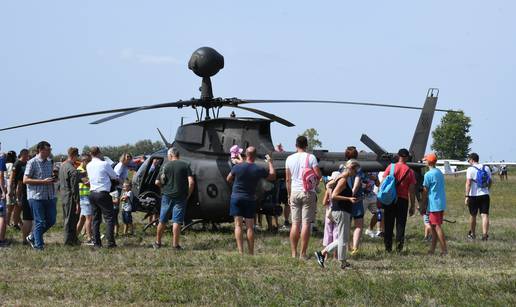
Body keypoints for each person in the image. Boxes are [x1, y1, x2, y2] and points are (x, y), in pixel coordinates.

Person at [227, 146, 276, 255]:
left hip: (236, 197)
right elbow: (272, 176)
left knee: (238, 225)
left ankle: (240, 251)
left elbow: (228, 178)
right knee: (250, 227)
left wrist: (235, 185)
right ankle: (251, 252)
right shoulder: (258, 169)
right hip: (249, 198)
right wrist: (270, 162)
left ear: (246, 154)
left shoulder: (238, 167)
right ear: (255, 156)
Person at [315, 160, 360, 270]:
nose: (356, 173)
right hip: (341, 211)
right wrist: (349, 198)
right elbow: (334, 196)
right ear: (352, 168)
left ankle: (324, 253)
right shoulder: (343, 179)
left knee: (342, 238)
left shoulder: (339, 177)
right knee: (343, 239)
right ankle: (341, 262)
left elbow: (329, 185)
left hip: (339, 210)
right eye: (356, 170)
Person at [285, 135, 322, 259]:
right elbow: (318, 175)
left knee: (295, 223)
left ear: (296, 145)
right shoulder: (311, 157)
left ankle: (293, 253)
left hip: (294, 192)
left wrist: (289, 194)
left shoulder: (289, 159)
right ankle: (303, 253)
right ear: (306, 145)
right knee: (306, 223)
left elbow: (287, 179)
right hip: (307, 192)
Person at [154, 147, 194, 249]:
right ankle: (175, 245)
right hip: (181, 197)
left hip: (167, 196)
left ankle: (158, 243)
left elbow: (157, 182)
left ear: (170, 155)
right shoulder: (185, 165)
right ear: (178, 155)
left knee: (162, 220)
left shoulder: (165, 166)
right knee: (177, 221)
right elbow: (191, 182)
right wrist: (188, 195)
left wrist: (165, 187)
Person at [380, 148, 416, 252]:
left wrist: (380, 197)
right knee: (400, 224)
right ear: (407, 157)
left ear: (398, 155)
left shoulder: (390, 167)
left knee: (388, 223)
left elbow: (383, 183)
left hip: (390, 199)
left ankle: (388, 248)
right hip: (403, 200)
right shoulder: (410, 171)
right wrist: (412, 205)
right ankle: (399, 248)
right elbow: (412, 190)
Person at [23, 141, 57, 250]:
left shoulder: (50, 162)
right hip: (36, 197)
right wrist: (43, 181)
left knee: (51, 220)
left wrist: (53, 179)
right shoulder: (32, 162)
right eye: (48, 150)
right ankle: (39, 246)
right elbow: (25, 180)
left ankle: (33, 237)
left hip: (49, 196)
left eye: (50, 149)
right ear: (41, 150)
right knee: (40, 222)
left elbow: (49, 177)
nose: (50, 152)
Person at [86, 146, 119, 248]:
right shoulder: (104, 164)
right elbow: (114, 176)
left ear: (91, 154)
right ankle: (110, 242)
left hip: (92, 193)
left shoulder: (88, 165)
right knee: (109, 218)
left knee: (96, 219)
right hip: (103, 193)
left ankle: (97, 243)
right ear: (99, 153)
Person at [421, 153, 447, 255]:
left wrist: (422, 204)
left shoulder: (428, 175)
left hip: (434, 204)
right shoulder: (439, 172)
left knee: (436, 226)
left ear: (429, 162)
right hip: (440, 202)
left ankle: (444, 250)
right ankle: (432, 249)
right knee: (432, 226)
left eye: (425, 160)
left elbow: (425, 190)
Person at [465, 152, 492, 241]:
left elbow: (468, 183)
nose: (468, 161)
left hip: (474, 195)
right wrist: (487, 190)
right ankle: (485, 235)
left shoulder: (470, 169)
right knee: (484, 215)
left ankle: (472, 234)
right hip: (485, 194)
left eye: (469, 160)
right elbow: (490, 181)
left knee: (473, 215)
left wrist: (466, 196)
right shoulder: (486, 168)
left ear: (472, 160)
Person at [58, 147, 81, 246]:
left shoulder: (63, 166)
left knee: (67, 218)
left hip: (63, 196)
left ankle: (73, 239)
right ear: (74, 155)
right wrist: (77, 202)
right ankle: (68, 241)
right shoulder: (72, 169)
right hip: (70, 197)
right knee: (71, 219)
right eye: (77, 156)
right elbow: (74, 188)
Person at [11, 149, 31, 244]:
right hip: (18, 189)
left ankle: (20, 224)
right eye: (27, 155)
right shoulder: (17, 164)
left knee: (19, 208)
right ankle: (16, 224)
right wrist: (11, 190)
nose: (28, 156)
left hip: (25, 189)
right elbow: (13, 177)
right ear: (23, 154)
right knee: (17, 207)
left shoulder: (26, 163)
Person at [113, 153, 133, 236]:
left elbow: (124, 177)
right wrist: (123, 183)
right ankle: (115, 230)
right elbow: (115, 177)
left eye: (130, 158)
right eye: (127, 157)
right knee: (115, 209)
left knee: (116, 209)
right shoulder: (120, 165)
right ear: (123, 158)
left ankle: (116, 230)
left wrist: (128, 181)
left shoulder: (125, 166)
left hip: (119, 188)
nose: (129, 159)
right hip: (115, 188)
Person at [76, 153, 93, 244]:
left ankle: (74, 237)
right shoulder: (80, 170)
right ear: (83, 161)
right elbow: (87, 183)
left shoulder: (86, 169)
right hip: (85, 196)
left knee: (82, 218)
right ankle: (89, 238)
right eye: (88, 161)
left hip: (86, 196)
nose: (90, 163)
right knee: (89, 218)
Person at [5, 150, 21, 230]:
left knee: (9, 206)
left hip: (6, 184)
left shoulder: (5, 164)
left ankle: (11, 222)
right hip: (11, 184)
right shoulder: (12, 165)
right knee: (12, 206)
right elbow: (12, 176)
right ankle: (8, 223)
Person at [363, 172, 381, 238]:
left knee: (379, 213)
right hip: (362, 196)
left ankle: (369, 230)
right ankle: (357, 233)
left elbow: (378, 184)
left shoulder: (375, 171)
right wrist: (365, 185)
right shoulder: (362, 169)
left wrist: (375, 179)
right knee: (359, 216)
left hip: (371, 195)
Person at [0, 153, 8, 247]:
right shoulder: (1, 159)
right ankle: (1, 240)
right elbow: (1, 175)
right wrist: (2, 190)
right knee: (2, 216)